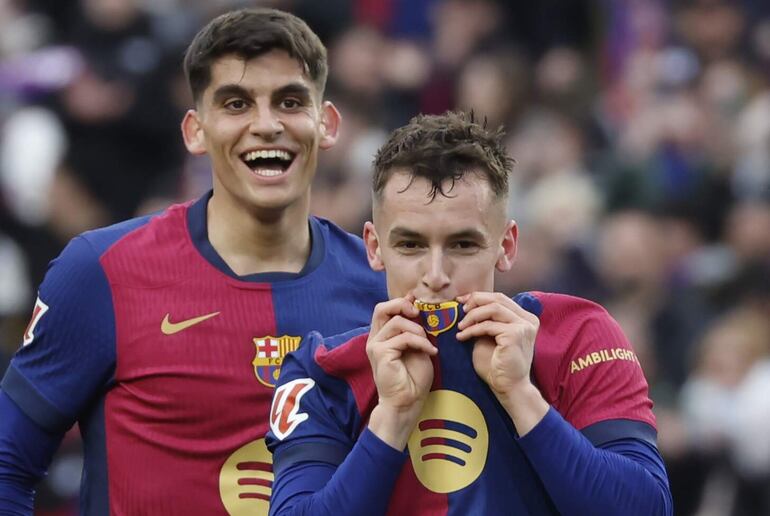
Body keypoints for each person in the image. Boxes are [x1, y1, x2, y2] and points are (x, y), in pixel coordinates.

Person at [0, 8, 386, 515]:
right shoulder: (102, 271)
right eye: (236, 103)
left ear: (327, 124)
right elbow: (8, 466)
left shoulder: (383, 286)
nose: (266, 125)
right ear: (195, 131)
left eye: (290, 101)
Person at [266, 111, 674, 515]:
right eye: (411, 245)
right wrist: (392, 416)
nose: (436, 275)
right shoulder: (320, 371)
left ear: (506, 245)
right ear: (374, 247)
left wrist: (521, 396)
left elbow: (648, 508)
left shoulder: (578, 334)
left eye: (463, 245)